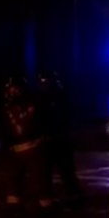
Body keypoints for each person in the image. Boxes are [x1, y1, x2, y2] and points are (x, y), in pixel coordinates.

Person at [3, 79, 52, 210]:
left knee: (38, 179)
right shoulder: (9, 107)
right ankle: (16, 203)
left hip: (31, 147)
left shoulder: (29, 104)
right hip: (21, 149)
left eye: (14, 88)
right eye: (10, 89)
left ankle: (44, 204)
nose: (12, 91)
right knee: (16, 179)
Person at [36, 72, 84, 209]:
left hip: (57, 139)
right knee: (54, 170)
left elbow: (64, 117)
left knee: (63, 170)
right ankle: (56, 197)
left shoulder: (56, 97)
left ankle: (71, 195)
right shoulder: (51, 96)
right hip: (52, 139)